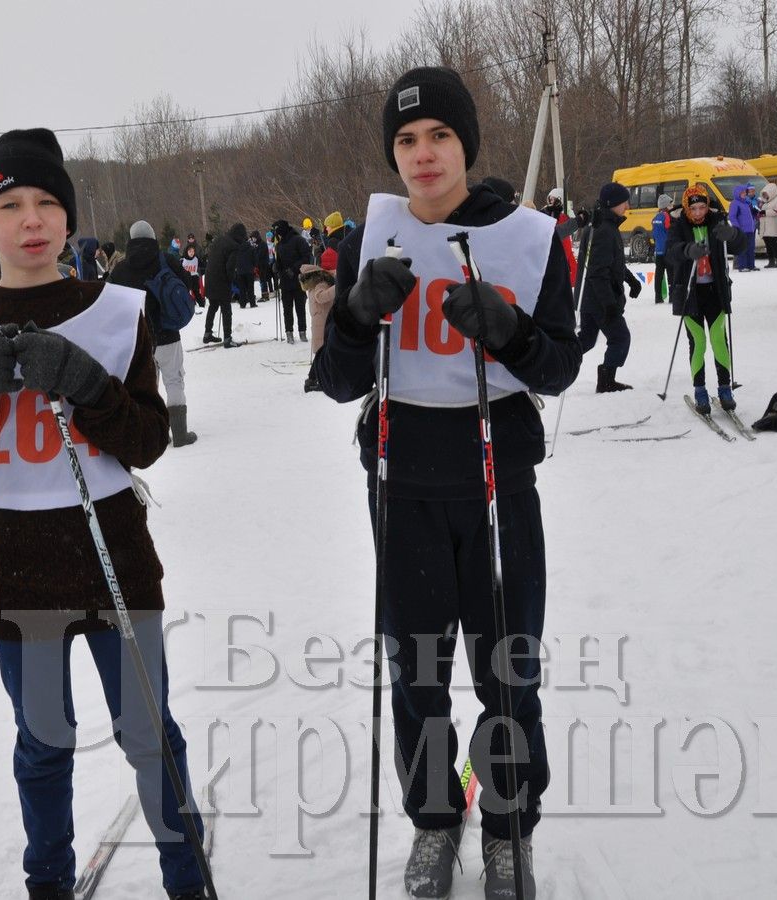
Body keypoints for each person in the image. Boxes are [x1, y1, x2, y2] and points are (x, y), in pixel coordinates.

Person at [312, 66, 580, 899]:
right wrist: (355, 315)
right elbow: (337, 377)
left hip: (497, 474)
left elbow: (562, 366)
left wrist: (508, 332)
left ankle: (506, 827)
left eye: (438, 137)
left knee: (505, 668)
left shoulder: (529, 237)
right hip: (401, 480)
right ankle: (435, 821)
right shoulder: (375, 231)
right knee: (416, 671)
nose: (422, 155)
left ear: (465, 143)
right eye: (405, 141)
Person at [0, 127, 209, 900]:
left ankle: (188, 877)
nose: (32, 219)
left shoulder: (117, 311)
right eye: (10, 204)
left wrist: (88, 384)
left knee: (149, 735)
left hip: (113, 546)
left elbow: (147, 440)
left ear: (69, 217)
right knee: (43, 743)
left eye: (48, 201)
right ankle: (45, 880)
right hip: (19, 560)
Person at [110, 220, 199, 445]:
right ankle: (180, 433)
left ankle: (154, 434)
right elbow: (186, 281)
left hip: (138, 338)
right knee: (174, 380)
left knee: (147, 387)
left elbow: (109, 299)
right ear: (152, 237)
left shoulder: (121, 268)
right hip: (167, 333)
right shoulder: (166, 260)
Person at [666, 183, 750, 413]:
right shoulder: (678, 224)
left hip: (716, 291)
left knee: (717, 338)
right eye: (693, 209)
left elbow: (740, 245)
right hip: (689, 295)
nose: (698, 213)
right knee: (699, 341)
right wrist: (687, 251)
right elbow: (670, 252)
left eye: (702, 207)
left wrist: (732, 234)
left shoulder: (717, 220)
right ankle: (700, 389)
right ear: (686, 208)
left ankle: (725, 387)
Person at [579, 183, 641, 392]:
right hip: (600, 300)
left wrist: (631, 280)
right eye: (624, 201)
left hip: (592, 299)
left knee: (586, 340)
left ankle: (553, 366)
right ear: (614, 203)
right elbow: (598, 273)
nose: (627, 205)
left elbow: (613, 264)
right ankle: (606, 380)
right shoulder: (605, 230)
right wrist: (609, 304)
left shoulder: (606, 226)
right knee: (620, 337)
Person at [202, 222, 246, 346]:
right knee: (226, 309)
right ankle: (227, 338)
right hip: (221, 281)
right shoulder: (234, 246)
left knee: (213, 306)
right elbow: (230, 267)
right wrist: (230, 281)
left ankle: (207, 333)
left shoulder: (220, 239)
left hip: (210, 278)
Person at [272, 219, 311, 342]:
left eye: (277, 232)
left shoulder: (298, 240)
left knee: (300, 307)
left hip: (298, 279)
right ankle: (289, 332)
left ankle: (302, 331)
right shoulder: (279, 244)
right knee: (287, 308)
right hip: (284, 280)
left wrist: (294, 269)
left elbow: (306, 257)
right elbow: (279, 261)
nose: (277, 235)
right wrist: (275, 266)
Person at [298, 261, 335, 392]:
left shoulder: (312, 285)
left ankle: (313, 379)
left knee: (322, 353)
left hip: (319, 322)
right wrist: (338, 287)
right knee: (323, 353)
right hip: (323, 323)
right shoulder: (321, 284)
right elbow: (321, 297)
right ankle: (316, 379)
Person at [541, 188, 581, 287]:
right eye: (550, 199)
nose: (551, 201)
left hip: (563, 250)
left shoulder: (564, 215)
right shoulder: (545, 213)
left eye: (553, 199)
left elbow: (572, 227)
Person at [727, 185, 759, 272]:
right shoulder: (735, 203)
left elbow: (751, 215)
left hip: (750, 230)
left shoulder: (746, 203)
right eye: (743, 193)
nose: (745, 194)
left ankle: (751, 265)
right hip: (742, 230)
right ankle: (742, 266)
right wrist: (737, 228)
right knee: (743, 248)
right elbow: (732, 217)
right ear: (738, 194)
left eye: (745, 192)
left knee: (751, 248)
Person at [650, 194, 674, 302]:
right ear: (666, 206)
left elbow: (654, 234)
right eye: (670, 204)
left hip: (658, 250)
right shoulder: (667, 216)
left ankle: (658, 297)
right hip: (667, 250)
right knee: (671, 274)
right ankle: (672, 296)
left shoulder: (655, 218)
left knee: (659, 275)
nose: (672, 206)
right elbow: (670, 230)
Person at [759, 183, 777, 268]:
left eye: (766, 193)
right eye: (763, 194)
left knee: (773, 243)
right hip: (765, 226)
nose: (765, 196)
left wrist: (765, 212)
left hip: (773, 225)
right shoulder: (765, 202)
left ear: (771, 192)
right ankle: (771, 261)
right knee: (767, 244)